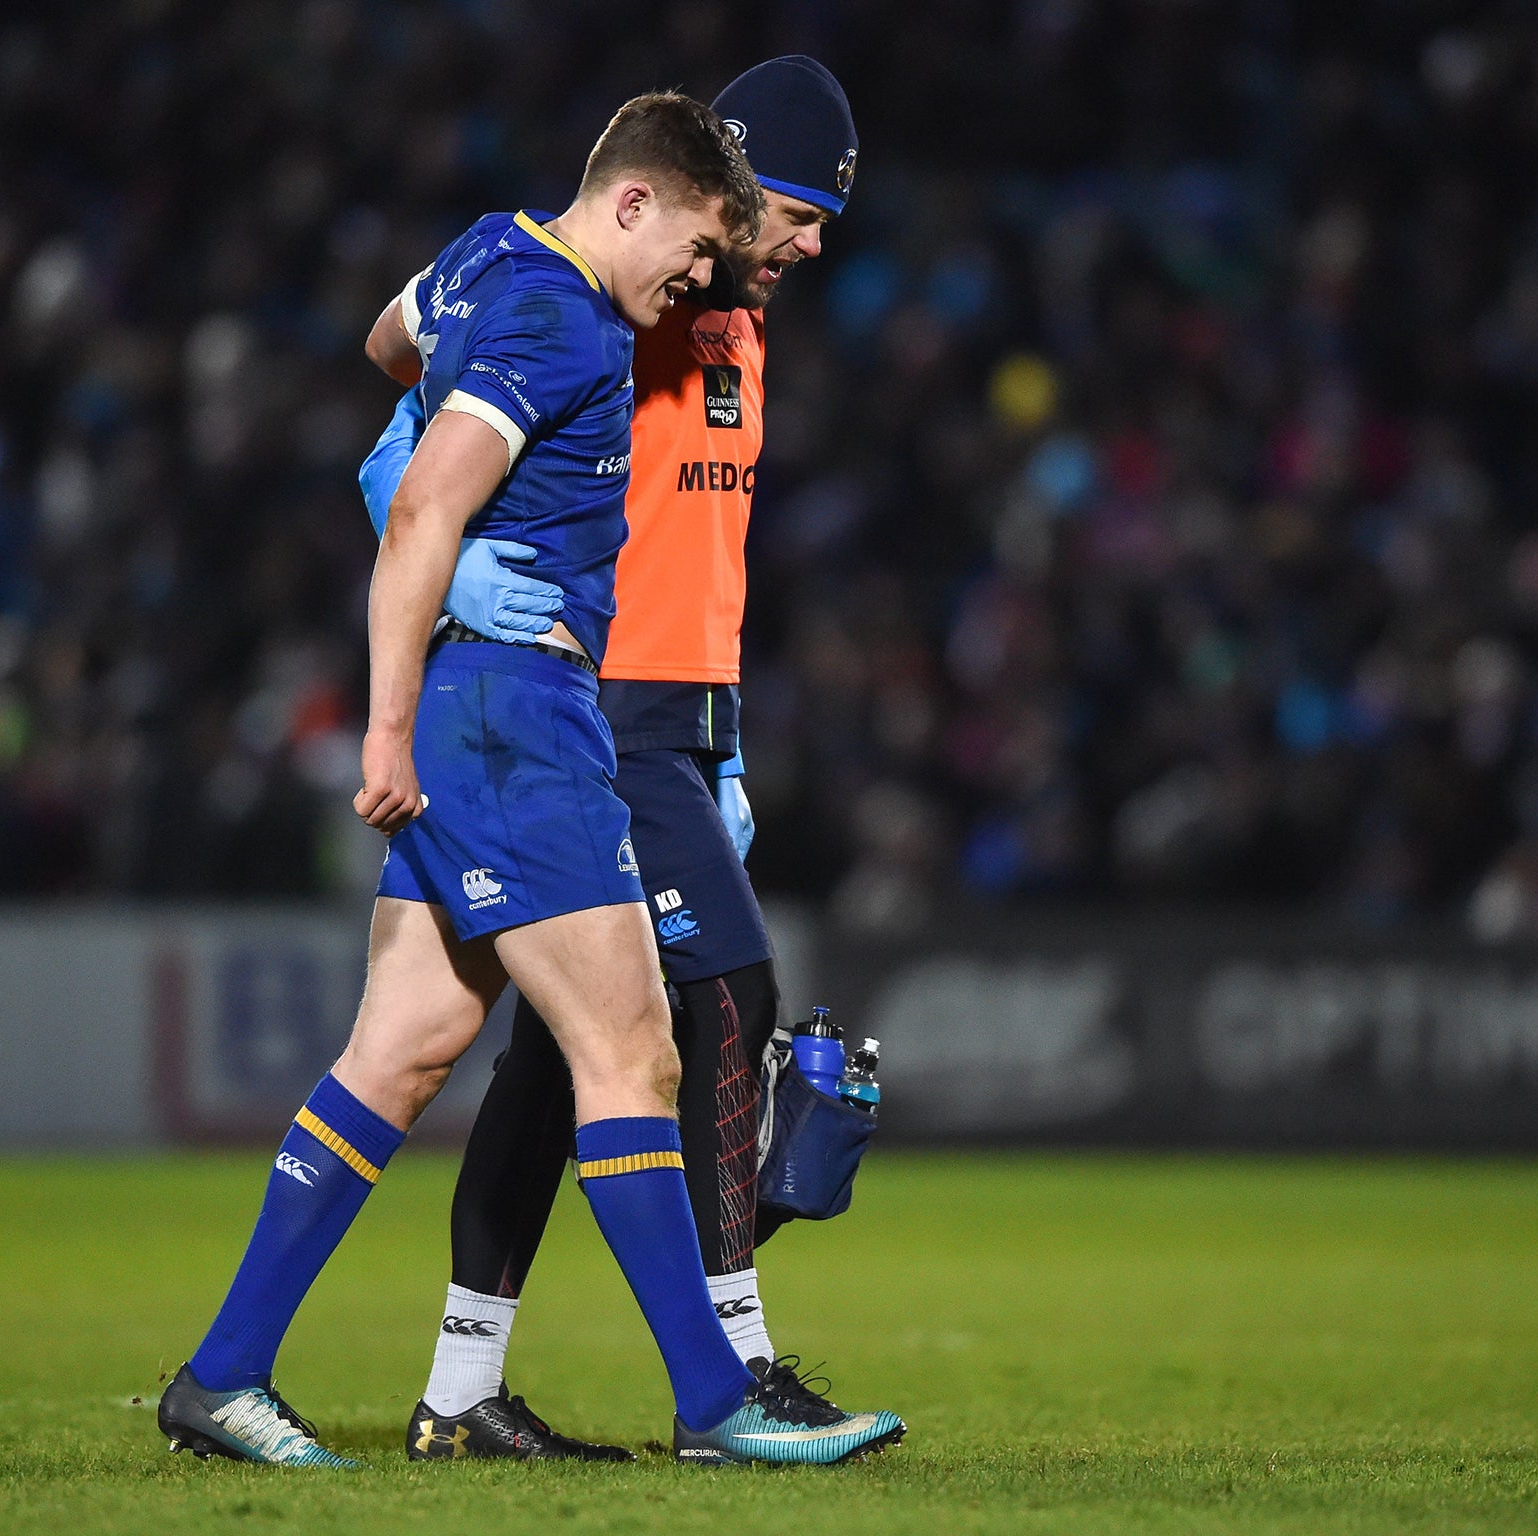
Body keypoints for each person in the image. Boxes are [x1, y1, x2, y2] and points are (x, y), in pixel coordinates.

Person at [156, 90, 901, 1470]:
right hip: (524, 708)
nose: (706, 274)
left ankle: (223, 1374)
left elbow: (393, 343)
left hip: (497, 703)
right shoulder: (578, 314)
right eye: (712, 242)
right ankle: (718, 1391)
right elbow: (431, 492)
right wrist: (390, 696)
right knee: (635, 1049)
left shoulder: (495, 254)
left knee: (403, 1055)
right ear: (641, 203)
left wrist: (709, 733)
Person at [361, 58, 884, 1462]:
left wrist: (723, 739)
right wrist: (413, 496)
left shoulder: (732, 330)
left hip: (680, 717)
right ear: (707, 194)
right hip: (594, 703)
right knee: (732, 995)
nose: (807, 244)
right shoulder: (624, 302)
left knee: (553, 1057)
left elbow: (703, 554)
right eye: (789, 213)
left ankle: (464, 1387)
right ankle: (734, 1376)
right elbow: (416, 342)